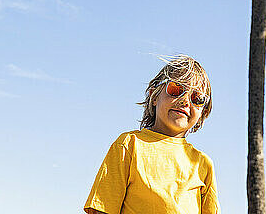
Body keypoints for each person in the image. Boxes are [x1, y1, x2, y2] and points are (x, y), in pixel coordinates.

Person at [84, 54, 220, 214]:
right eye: (176, 89)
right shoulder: (129, 144)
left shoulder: (203, 164)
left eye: (197, 98)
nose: (185, 101)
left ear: (203, 111)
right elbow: (102, 210)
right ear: (154, 95)